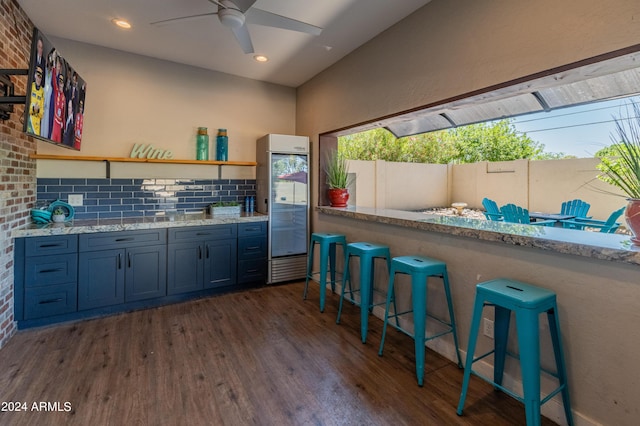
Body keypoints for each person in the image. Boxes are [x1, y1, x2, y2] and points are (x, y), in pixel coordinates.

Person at [27, 65, 44, 135]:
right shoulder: (31, 86)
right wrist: (34, 109)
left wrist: (38, 110)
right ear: (34, 75)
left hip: (37, 127)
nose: (39, 79)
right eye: (38, 75)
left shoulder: (42, 91)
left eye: (40, 77)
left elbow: (42, 113)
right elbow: (27, 106)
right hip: (30, 123)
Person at [50, 70, 66, 143]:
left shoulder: (64, 97)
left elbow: (64, 112)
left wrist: (63, 123)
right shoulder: (56, 92)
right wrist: (54, 69)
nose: (60, 84)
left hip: (60, 124)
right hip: (55, 121)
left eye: (61, 82)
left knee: (58, 142)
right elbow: (54, 81)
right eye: (59, 82)